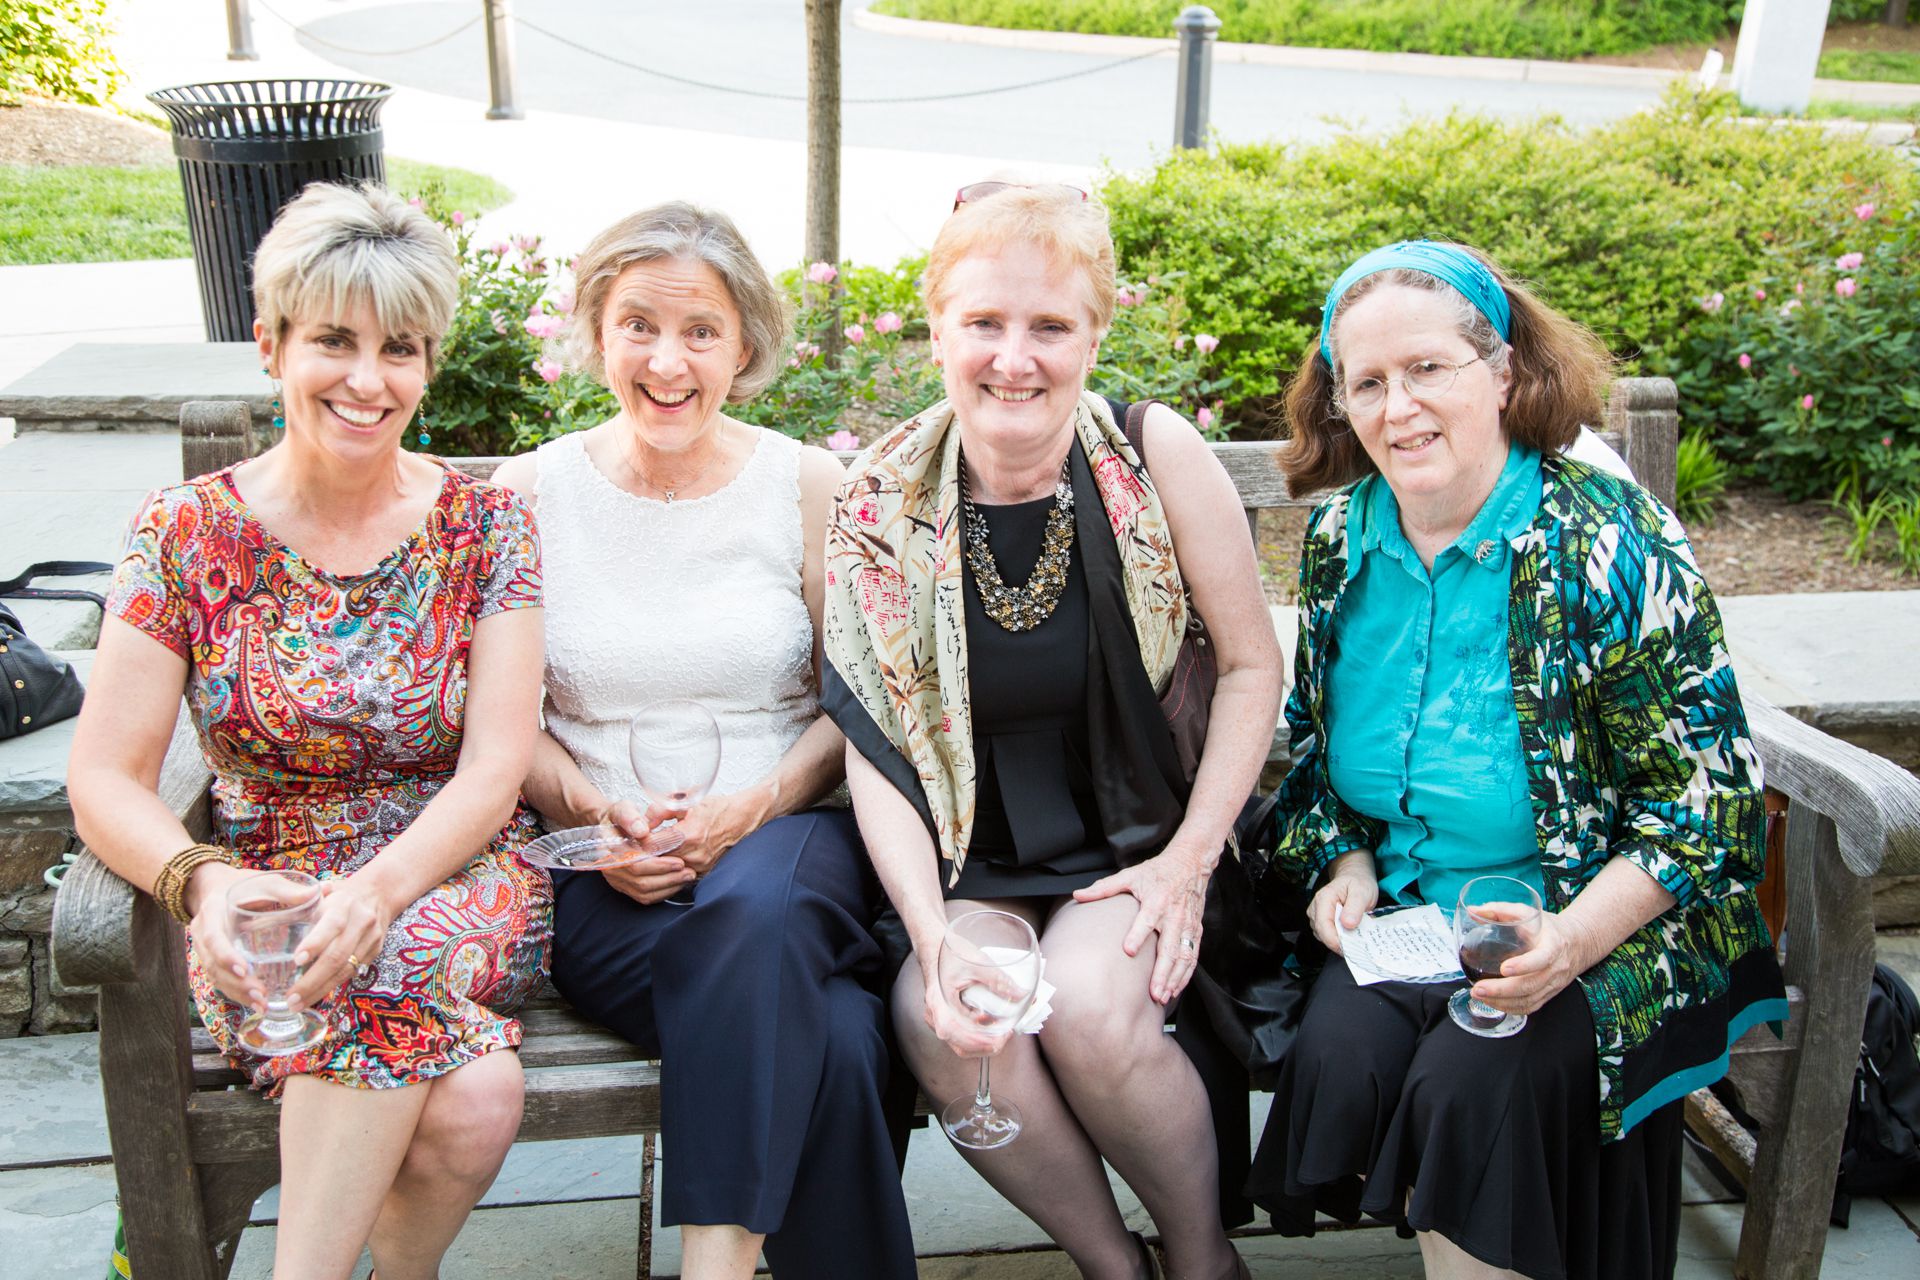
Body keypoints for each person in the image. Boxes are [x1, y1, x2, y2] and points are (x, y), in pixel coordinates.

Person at [1247, 240, 1788, 1280]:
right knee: (1346, 1048)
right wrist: (1346, 865)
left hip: (1614, 918)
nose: (1398, 406)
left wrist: (1571, 942)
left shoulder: (1604, 541)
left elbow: (1704, 799)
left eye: (1428, 369)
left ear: (1502, 373)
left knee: (1471, 1084)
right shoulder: (1340, 545)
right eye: (1367, 382)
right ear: (1340, 405)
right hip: (1415, 915)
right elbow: (1316, 753)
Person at [67, 181, 551, 1279]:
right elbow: (104, 772)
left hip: (451, 875)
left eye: (403, 348)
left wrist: (378, 890)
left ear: (429, 365)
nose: (369, 380)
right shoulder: (183, 531)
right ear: (270, 345)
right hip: (263, 890)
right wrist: (203, 882)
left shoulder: (488, 525)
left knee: (365, 956)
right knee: (473, 1098)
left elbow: (495, 769)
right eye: (335, 339)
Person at [821, 182, 1284, 1280]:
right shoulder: (875, 498)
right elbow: (875, 741)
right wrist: (931, 929)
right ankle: (1110, 1265)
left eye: (1049, 326)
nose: (1013, 357)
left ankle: (1205, 1257)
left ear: (1097, 331)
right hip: (972, 851)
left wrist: (1187, 861)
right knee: (942, 1021)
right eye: (984, 321)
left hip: (1145, 837)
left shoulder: (1151, 453)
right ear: (936, 325)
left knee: (1085, 1011)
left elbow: (1255, 665)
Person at [488, 201, 917, 1280]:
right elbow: (505, 724)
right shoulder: (529, 494)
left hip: (790, 832)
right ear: (595, 333)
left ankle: (713, 1265)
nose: (667, 360)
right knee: (841, 1036)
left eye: (700, 332)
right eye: (638, 325)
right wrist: (594, 812)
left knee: (751, 909)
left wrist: (752, 806)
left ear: (745, 346)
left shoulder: (808, 485)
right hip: (604, 869)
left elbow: (857, 705)